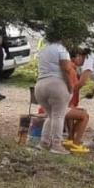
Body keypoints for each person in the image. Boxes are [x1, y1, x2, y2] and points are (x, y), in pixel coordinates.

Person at [33, 27, 72, 155]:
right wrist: (70, 86)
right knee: (59, 116)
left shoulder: (44, 49)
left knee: (50, 116)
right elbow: (66, 68)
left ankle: (44, 142)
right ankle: (56, 145)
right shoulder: (61, 49)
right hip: (56, 84)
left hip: (40, 85)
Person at [62, 59, 90, 154]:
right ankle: (76, 143)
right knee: (85, 115)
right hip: (58, 109)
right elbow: (73, 90)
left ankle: (70, 138)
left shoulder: (58, 68)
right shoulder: (71, 72)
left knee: (76, 112)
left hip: (51, 106)